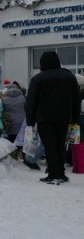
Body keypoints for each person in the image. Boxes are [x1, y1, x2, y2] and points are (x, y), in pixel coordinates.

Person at [25, 51, 81, 185]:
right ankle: (60, 173)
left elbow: (31, 101)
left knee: (50, 146)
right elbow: (76, 99)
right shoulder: (69, 77)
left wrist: (30, 120)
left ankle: (53, 174)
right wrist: (75, 118)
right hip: (64, 118)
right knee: (61, 145)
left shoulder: (37, 79)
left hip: (44, 118)